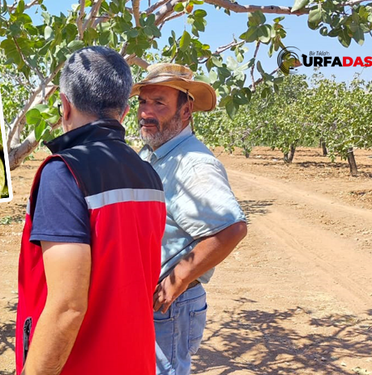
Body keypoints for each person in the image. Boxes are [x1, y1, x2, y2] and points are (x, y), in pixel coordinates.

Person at [15, 46, 167, 375]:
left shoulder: (64, 173)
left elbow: (67, 308)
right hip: (135, 362)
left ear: (64, 105)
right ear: (125, 112)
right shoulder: (148, 175)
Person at [132, 63, 248, 375]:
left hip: (170, 306)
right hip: (154, 304)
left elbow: (232, 228)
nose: (146, 112)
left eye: (159, 103)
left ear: (186, 111)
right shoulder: (155, 154)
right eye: (143, 102)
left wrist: (179, 277)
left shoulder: (193, 165)